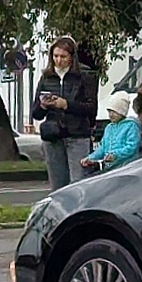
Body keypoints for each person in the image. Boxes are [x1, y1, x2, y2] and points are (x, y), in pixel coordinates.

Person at [31, 36, 98, 190]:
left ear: (72, 57)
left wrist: (66, 105)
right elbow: (36, 113)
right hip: (53, 135)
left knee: (78, 183)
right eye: (55, 56)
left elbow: (91, 108)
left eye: (63, 57)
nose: (59, 61)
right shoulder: (47, 77)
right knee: (57, 185)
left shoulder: (84, 76)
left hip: (77, 135)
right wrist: (43, 105)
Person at [80, 92, 141, 173]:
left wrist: (115, 155)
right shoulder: (109, 128)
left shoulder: (131, 126)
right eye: (109, 111)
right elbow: (102, 148)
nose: (111, 115)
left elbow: (132, 147)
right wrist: (91, 158)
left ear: (122, 111)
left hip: (127, 167)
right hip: (111, 168)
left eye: (114, 112)